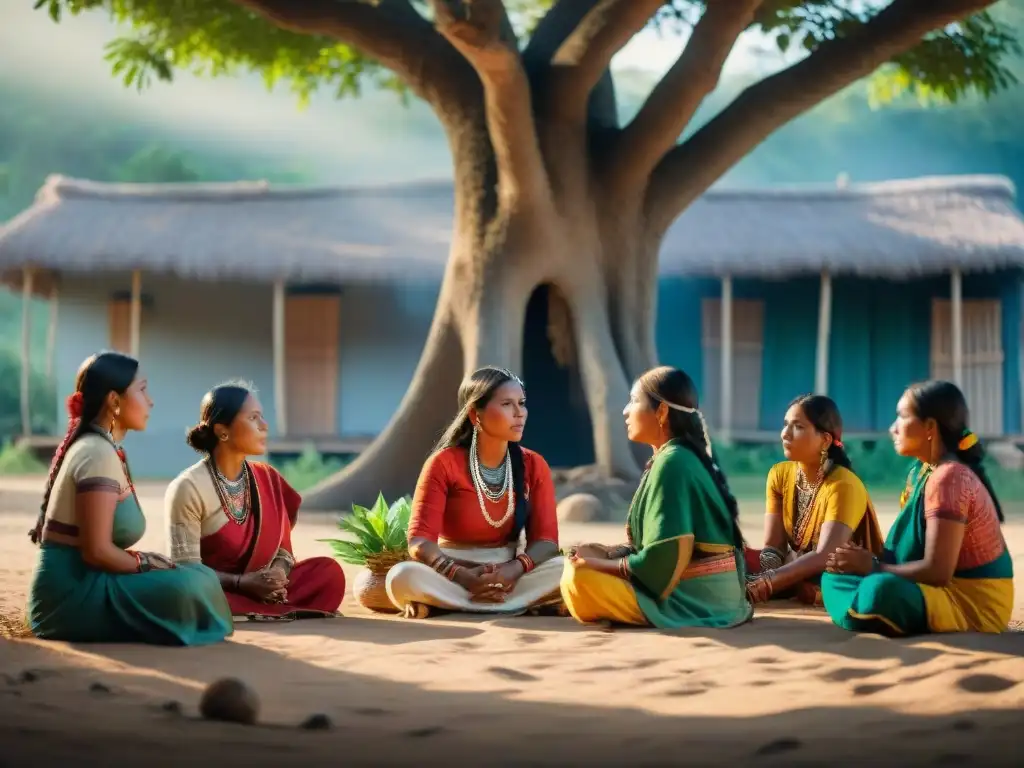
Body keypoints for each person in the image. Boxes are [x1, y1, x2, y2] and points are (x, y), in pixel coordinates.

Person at [26, 352, 232, 645]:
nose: (151, 401)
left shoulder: (105, 449)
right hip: (70, 597)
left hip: (92, 580)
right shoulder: (95, 452)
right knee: (189, 584)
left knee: (199, 575)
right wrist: (146, 562)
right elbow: (95, 552)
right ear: (114, 400)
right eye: (143, 389)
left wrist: (148, 562)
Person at [560, 366, 752, 629]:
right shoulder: (675, 456)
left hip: (694, 600)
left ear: (661, 412)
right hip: (715, 597)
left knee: (578, 578)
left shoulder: (673, 462)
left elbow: (662, 562)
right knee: (574, 563)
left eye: (634, 401)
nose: (626, 410)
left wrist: (599, 564)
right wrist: (610, 553)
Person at [822, 380, 1014, 636]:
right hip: (930, 586)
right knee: (834, 576)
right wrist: (860, 560)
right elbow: (911, 552)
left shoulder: (950, 478)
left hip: (971, 603)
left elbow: (938, 572)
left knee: (879, 591)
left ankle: (867, 609)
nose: (893, 428)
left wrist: (872, 566)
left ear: (930, 427)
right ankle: (869, 610)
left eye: (902, 416)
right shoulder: (921, 472)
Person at [385, 367, 563, 619]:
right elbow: (420, 541)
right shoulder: (443, 463)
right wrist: (463, 576)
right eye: (506, 404)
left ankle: (446, 604)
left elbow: (546, 542)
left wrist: (513, 569)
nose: (519, 413)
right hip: (451, 573)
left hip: (510, 574)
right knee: (402, 576)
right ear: (474, 414)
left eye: (521, 403)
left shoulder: (533, 464)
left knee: (566, 569)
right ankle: (513, 603)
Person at [165, 382, 346, 619]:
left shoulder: (267, 478)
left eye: (262, 417)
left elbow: (283, 550)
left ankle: (265, 601)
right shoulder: (188, 487)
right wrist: (242, 583)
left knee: (327, 573)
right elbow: (185, 568)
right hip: (218, 588)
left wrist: (278, 574)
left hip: (264, 586)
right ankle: (257, 605)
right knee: (189, 592)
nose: (264, 425)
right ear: (222, 431)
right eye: (254, 418)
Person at [744, 395, 883, 606]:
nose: (785, 434)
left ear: (825, 440)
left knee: (828, 580)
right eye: (785, 425)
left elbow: (825, 555)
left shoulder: (842, 485)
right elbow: (774, 546)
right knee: (735, 559)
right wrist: (764, 572)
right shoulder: (779, 475)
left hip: (839, 572)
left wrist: (767, 582)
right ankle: (790, 582)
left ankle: (809, 589)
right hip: (798, 565)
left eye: (798, 426)